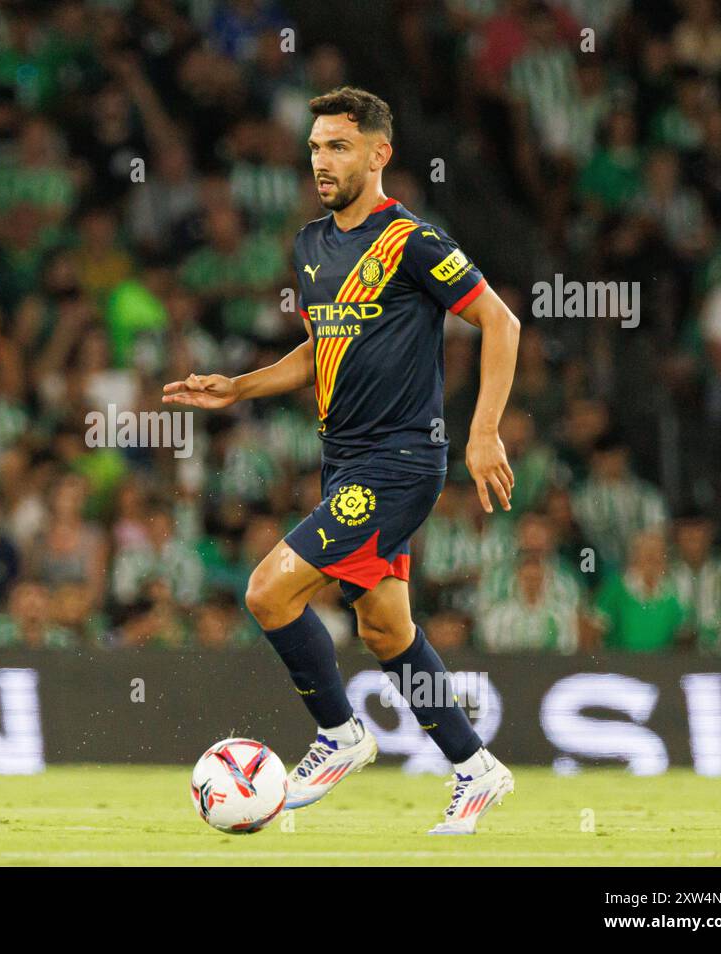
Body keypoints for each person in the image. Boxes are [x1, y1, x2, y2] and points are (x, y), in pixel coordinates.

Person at [163, 87, 522, 835]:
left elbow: (500, 318)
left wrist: (484, 430)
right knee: (387, 632)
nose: (321, 161)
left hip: (399, 463)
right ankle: (473, 767)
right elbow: (323, 343)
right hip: (344, 460)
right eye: (316, 147)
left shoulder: (412, 241)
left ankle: (340, 735)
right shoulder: (311, 244)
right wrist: (240, 386)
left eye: (338, 147)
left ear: (378, 154)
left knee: (268, 593)